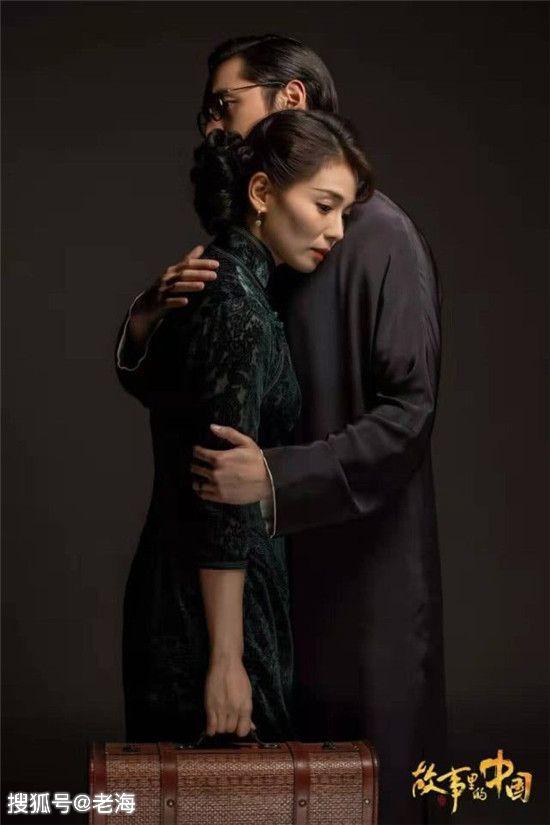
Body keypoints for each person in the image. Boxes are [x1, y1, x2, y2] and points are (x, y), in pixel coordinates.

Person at [115, 34, 448, 825]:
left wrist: (276, 477)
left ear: (289, 99)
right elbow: (201, 400)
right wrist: (146, 318)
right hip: (258, 578)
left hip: (358, 572)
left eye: (224, 106)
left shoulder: (377, 235)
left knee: (372, 789)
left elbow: (408, 413)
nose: (211, 127)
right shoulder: (256, 246)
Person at [115, 107, 372, 746]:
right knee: (225, 784)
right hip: (214, 610)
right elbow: (219, 493)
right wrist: (227, 661)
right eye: (325, 206)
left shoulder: (218, 284)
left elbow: (159, 395)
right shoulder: (238, 308)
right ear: (261, 193)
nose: (337, 230)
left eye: (344, 213)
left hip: (178, 586)